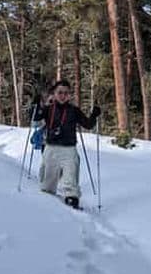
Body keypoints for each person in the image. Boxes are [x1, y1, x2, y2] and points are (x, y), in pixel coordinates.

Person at [31, 80, 100, 209]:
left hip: (69, 149)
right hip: (51, 148)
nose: (63, 96)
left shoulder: (74, 110)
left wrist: (94, 115)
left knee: (70, 176)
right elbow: (35, 118)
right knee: (47, 185)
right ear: (55, 94)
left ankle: (72, 198)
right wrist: (36, 106)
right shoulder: (48, 109)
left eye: (66, 93)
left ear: (69, 95)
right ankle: (47, 204)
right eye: (60, 92)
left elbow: (88, 125)